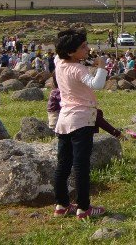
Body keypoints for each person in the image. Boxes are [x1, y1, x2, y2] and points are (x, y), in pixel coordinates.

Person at [52, 29, 108, 219]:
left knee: (63, 165)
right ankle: (84, 208)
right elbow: (97, 84)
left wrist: (86, 58)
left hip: (64, 119)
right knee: (81, 166)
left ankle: (61, 204)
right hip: (82, 121)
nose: (87, 49)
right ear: (70, 52)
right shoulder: (78, 69)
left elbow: (62, 51)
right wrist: (102, 67)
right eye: (83, 47)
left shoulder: (59, 63)